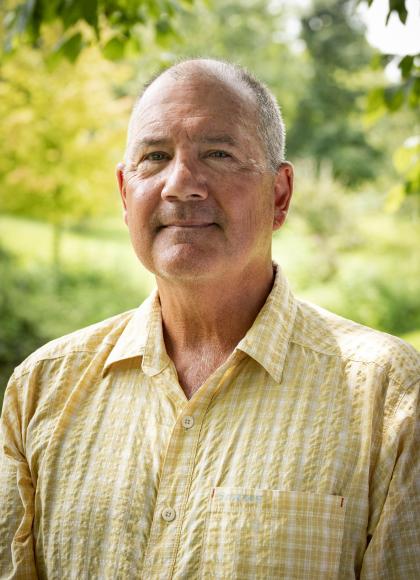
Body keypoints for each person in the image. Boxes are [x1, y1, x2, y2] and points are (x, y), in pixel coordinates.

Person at [0, 58, 419, 579]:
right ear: (125, 192)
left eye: (218, 154)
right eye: (154, 157)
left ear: (280, 195)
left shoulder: (387, 396)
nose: (181, 184)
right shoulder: (42, 389)